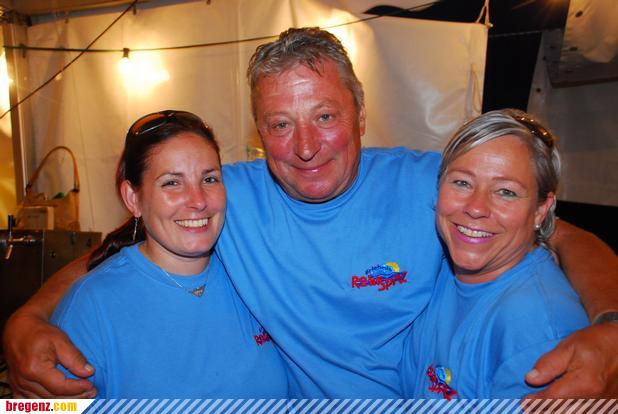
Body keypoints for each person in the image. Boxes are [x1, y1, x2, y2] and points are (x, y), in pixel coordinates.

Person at [3, 28, 618, 398]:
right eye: (280, 124)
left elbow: (561, 237)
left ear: (360, 113)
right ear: (259, 132)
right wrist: (25, 319)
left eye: (324, 116)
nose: (304, 146)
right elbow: (122, 246)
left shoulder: (434, 185)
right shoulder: (221, 197)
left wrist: (612, 328)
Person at [49, 110, 287, 397]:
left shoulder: (252, 273)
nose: (198, 201)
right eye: (172, 182)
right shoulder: (92, 307)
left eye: (209, 179)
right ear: (133, 198)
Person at [400, 109, 589, 398]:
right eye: (462, 182)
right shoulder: (438, 269)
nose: (476, 208)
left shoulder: (537, 331)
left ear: (541, 210)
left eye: (505, 192)